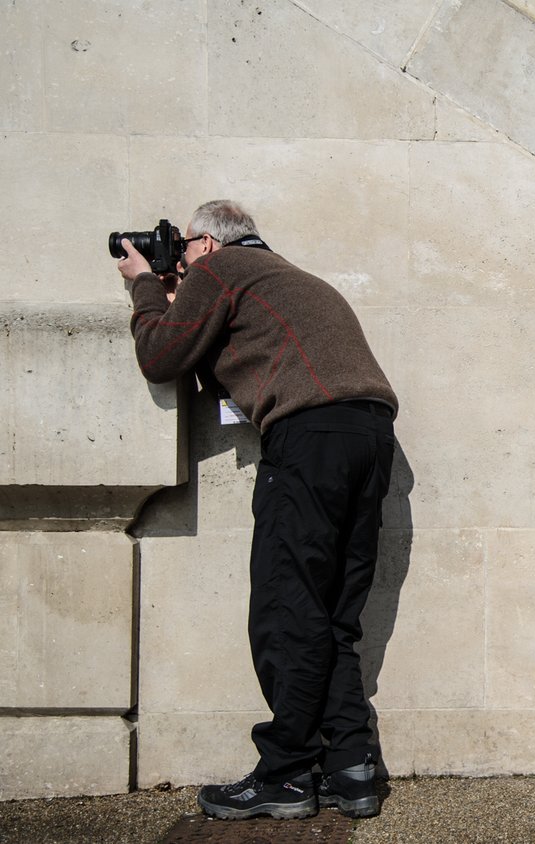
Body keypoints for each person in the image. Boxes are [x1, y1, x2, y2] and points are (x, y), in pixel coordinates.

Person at [116, 200, 398, 821]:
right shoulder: (292, 278)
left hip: (310, 437)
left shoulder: (221, 272)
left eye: (184, 247)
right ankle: (351, 768)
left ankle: (288, 774)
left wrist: (143, 287)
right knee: (331, 615)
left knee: (284, 608)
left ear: (210, 246)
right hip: (371, 435)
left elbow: (161, 357)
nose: (180, 258)